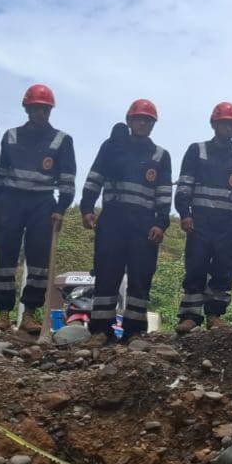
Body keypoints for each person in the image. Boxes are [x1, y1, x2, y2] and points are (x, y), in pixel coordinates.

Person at [79, 99, 171, 345]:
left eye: (147, 120)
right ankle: (100, 330)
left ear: (153, 124)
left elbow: (164, 193)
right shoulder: (111, 148)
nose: (143, 123)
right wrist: (87, 207)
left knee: (141, 277)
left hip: (144, 223)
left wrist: (161, 223)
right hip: (113, 219)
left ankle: (134, 331)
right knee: (107, 274)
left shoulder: (160, 156)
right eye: (138, 119)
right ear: (129, 121)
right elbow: (94, 178)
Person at [0, 84, 76, 332]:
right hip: (10, 201)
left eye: (45, 108)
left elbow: (68, 179)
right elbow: (1, 172)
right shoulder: (11, 136)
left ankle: (30, 314)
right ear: (27, 108)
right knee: (4, 259)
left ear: (50, 110)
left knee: (39, 262)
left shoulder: (61, 140)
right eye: (36, 107)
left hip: (42, 204)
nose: (40, 112)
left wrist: (61, 207)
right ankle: (2, 313)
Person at [172, 102, 232, 333]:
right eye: (224, 123)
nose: (228, 127)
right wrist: (185, 213)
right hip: (200, 221)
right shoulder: (197, 151)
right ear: (214, 124)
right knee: (196, 266)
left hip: (229, 224)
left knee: (224, 269)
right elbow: (185, 185)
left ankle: (215, 315)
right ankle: (189, 316)